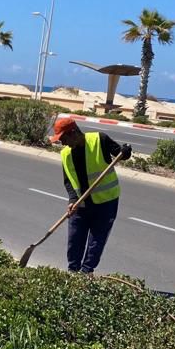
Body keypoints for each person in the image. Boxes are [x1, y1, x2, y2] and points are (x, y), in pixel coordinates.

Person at [51, 117, 131, 273]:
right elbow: (68, 181)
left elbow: (120, 153)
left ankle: (86, 272)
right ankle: (72, 272)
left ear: (73, 132)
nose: (63, 143)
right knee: (75, 239)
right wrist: (72, 199)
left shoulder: (99, 139)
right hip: (80, 204)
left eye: (63, 138)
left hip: (106, 202)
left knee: (96, 241)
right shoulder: (66, 154)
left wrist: (125, 151)